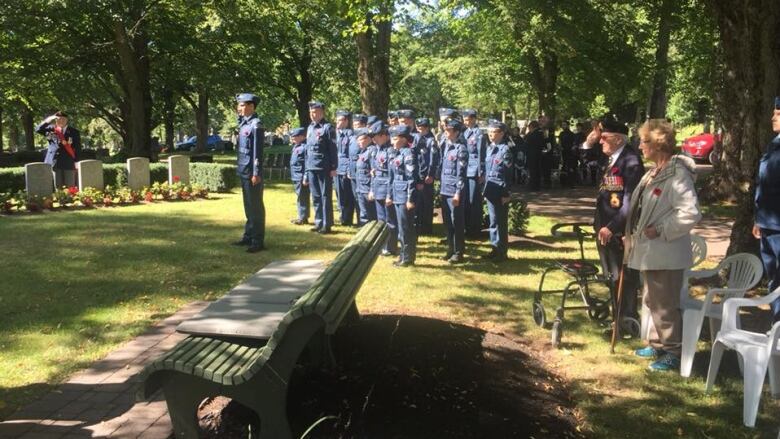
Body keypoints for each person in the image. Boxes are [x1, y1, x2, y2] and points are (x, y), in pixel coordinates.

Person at [626, 119, 701, 372]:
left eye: (644, 141)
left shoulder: (677, 174)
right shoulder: (654, 172)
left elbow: (690, 213)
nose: (640, 146)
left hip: (666, 252)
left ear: (658, 144)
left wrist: (661, 229)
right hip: (652, 252)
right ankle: (658, 343)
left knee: (664, 304)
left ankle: (674, 351)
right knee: (651, 300)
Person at [593, 118, 644, 331]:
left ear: (617, 138)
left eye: (604, 137)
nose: (600, 141)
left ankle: (626, 320)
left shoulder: (630, 161)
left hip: (618, 230)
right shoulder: (613, 157)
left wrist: (612, 227)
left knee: (623, 277)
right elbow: (587, 159)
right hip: (605, 228)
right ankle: (618, 317)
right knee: (611, 276)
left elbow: (630, 203)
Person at [753, 96, 780, 322]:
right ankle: (777, 326)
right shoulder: (774, 144)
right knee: (774, 278)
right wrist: (758, 219)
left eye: (778, 114)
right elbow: (764, 184)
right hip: (768, 223)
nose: (773, 117)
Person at [232, 93, 266, 253]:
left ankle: (258, 240)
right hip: (244, 169)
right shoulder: (244, 124)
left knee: (256, 207)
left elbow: (257, 152)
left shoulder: (256, 125)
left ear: (251, 106)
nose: (239, 108)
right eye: (239, 105)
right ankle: (249, 235)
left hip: (252, 172)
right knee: (248, 206)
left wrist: (256, 172)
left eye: (243, 105)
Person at [388, 125, 419, 267]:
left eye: (395, 139)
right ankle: (403, 256)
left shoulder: (408, 154)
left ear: (403, 139)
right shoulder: (397, 153)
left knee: (405, 229)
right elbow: (392, 177)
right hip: (397, 194)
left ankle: (407, 258)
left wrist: (410, 199)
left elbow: (411, 178)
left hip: (405, 196)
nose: (392, 141)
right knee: (402, 228)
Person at [305, 101, 338, 234]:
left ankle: (327, 223)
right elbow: (308, 150)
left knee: (325, 196)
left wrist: (334, 167)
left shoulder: (327, 128)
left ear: (322, 112)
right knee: (316, 196)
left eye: (315, 112)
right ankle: (318, 222)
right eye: (311, 112)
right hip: (312, 166)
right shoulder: (310, 128)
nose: (313, 115)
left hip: (324, 167)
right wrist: (307, 168)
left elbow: (333, 149)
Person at [483, 121, 513, 261]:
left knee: (501, 222)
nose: (490, 134)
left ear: (501, 133)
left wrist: (507, 194)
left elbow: (508, 174)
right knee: (493, 221)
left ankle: (502, 252)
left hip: (501, 191)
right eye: (489, 131)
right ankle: (494, 248)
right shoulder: (490, 149)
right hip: (491, 189)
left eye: (494, 131)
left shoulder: (504, 150)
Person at [440, 119, 468, 263]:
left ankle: (458, 252)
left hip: (454, 191)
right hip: (445, 189)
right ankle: (450, 249)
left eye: (449, 130)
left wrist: (458, 192)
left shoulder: (460, 149)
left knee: (456, 221)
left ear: (456, 132)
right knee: (447, 222)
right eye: (445, 129)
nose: (446, 132)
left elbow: (461, 173)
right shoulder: (446, 146)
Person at [368, 124, 398, 255]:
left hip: (387, 189)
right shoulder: (375, 150)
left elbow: (392, 175)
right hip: (378, 188)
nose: (373, 140)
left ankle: (390, 246)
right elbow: (374, 173)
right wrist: (372, 190)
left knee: (390, 220)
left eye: (375, 137)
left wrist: (390, 195)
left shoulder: (390, 151)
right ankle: (383, 245)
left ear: (384, 136)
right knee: (381, 220)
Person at [36, 111, 82, 188]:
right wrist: (49, 119)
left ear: (67, 120)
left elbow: (77, 147)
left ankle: (70, 199)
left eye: (63, 119)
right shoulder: (51, 129)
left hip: (68, 161)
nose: (61, 121)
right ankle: (60, 199)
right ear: (55, 120)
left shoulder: (74, 132)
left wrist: (77, 161)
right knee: (58, 186)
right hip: (55, 162)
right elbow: (38, 129)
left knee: (70, 186)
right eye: (58, 119)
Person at [462, 109, 486, 238]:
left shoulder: (479, 134)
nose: (465, 122)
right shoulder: (464, 132)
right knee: (466, 199)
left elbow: (481, 154)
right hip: (465, 169)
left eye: (468, 119)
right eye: (464, 119)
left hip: (474, 170)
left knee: (474, 200)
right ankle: (467, 226)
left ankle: (475, 229)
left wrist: (481, 172)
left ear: (473, 119)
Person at [415, 117, 440, 235]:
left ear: (427, 128)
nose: (420, 130)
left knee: (427, 203)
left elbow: (433, 160)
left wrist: (430, 175)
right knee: (419, 202)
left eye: (422, 128)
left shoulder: (431, 141)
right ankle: (419, 225)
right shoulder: (417, 138)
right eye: (418, 128)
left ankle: (426, 227)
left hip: (426, 177)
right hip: (418, 175)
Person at [334, 110, 356, 226]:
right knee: (339, 194)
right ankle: (342, 216)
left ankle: (347, 219)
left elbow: (350, 155)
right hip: (336, 168)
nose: (337, 122)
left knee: (347, 195)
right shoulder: (336, 134)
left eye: (340, 120)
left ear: (347, 121)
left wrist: (348, 169)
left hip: (345, 169)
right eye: (336, 120)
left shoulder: (351, 135)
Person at [353, 128, 377, 225]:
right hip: (360, 188)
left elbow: (374, 173)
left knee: (371, 215)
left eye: (361, 140)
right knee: (363, 214)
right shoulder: (362, 152)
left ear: (369, 139)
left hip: (367, 188)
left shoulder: (372, 152)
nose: (359, 142)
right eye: (358, 140)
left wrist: (372, 189)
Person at [348, 114, 369, 222]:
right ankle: (359, 220)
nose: (355, 127)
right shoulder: (352, 138)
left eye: (358, 125)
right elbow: (349, 156)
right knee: (356, 197)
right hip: (353, 171)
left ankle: (363, 220)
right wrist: (349, 170)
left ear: (364, 125)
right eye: (354, 125)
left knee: (363, 198)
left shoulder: (366, 139)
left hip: (363, 173)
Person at [288, 127, 309, 225]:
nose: (292, 139)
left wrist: (306, 176)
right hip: (296, 175)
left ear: (301, 137)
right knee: (299, 196)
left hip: (301, 176)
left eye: (294, 137)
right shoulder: (296, 146)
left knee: (302, 197)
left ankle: (303, 217)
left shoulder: (305, 147)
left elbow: (307, 163)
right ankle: (301, 216)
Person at [525, 121, 545, 191]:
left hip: (532, 154)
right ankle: (536, 185)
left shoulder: (533, 134)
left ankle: (533, 185)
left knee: (533, 170)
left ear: (532, 127)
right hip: (537, 153)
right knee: (536, 170)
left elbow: (527, 141)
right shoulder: (540, 133)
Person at [558, 120, 576, 187]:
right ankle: (563, 182)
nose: (563, 126)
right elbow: (559, 143)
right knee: (564, 167)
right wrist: (560, 148)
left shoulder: (572, 134)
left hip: (570, 153)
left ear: (568, 125)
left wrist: (572, 148)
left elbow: (574, 143)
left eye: (564, 125)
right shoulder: (561, 133)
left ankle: (571, 182)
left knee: (570, 167)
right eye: (562, 125)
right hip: (563, 152)